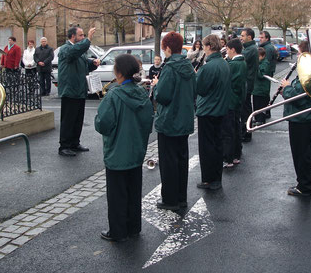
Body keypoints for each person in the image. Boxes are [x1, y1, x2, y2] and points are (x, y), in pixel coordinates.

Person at [95, 54, 154, 242]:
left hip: (117, 151)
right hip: (136, 150)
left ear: (118, 72)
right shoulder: (143, 93)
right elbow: (147, 122)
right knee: (134, 190)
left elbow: (102, 124)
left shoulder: (113, 95)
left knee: (117, 194)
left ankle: (118, 230)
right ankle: (133, 226)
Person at [151, 32, 196, 211]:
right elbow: (194, 90)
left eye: (164, 49)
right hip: (184, 120)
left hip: (169, 121)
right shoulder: (188, 66)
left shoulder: (169, 68)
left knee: (168, 162)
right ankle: (181, 197)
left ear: (168, 48)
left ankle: (170, 199)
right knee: (181, 160)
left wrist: (156, 86)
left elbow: (162, 96)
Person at [281, 41, 311, 197]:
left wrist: (286, 87)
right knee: (302, 152)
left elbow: (296, 96)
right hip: (303, 117)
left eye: (300, 53)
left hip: (301, 118)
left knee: (301, 153)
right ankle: (304, 182)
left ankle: (305, 185)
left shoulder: (308, 73)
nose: (297, 56)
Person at [58, 27, 100, 156]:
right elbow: (73, 53)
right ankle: (64, 146)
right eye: (80, 35)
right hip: (69, 90)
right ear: (72, 36)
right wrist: (88, 40)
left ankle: (74, 143)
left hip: (79, 90)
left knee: (78, 119)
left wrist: (93, 63)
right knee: (68, 120)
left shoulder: (78, 51)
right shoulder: (65, 49)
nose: (82, 38)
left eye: (83, 36)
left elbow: (83, 64)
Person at [196, 34, 230, 190]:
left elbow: (200, 89)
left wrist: (196, 76)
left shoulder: (208, 66)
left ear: (209, 46)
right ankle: (216, 178)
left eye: (204, 46)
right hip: (220, 109)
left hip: (208, 111)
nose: (203, 49)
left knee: (207, 147)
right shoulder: (224, 63)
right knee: (217, 145)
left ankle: (208, 179)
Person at [222, 39, 247, 167]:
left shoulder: (233, 64)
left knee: (228, 130)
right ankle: (237, 154)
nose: (226, 52)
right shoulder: (242, 62)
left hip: (230, 100)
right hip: (237, 99)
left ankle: (228, 158)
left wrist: (225, 60)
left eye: (227, 49)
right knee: (236, 128)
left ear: (232, 49)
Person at [240, 28, 258, 143]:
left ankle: (246, 132)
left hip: (247, 83)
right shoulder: (249, 48)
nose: (241, 38)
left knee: (245, 110)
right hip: (247, 82)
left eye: (243, 36)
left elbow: (239, 58)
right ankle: (245, 131)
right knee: (245, 109)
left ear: (249, 37)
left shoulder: (250, 49)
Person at [252, 47, 272, 125]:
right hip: (256, 89)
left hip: (262, 89)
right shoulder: (260, 63)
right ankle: (257, 118)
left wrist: (256, 67)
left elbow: (261, 75)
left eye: (259, 57)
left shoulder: (265, 63)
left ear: (263, 56)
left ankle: (261, 119)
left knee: (261, 105)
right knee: (256, 104)